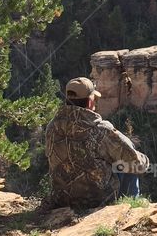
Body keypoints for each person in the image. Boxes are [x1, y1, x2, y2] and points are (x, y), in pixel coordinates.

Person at [44, 77, 151, 209]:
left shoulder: (51, 127)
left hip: (62, 199)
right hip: (97, 201)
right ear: (90, 102)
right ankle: (133, 207)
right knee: (127, 164)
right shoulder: (100, 129)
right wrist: (143, 159)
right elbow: (137, 165)